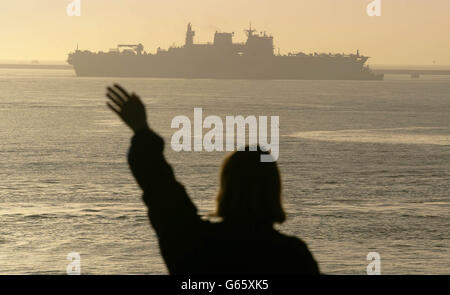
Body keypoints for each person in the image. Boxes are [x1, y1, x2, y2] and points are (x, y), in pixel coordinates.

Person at [106, 84, 320, 274]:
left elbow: (161, 188)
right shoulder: (293, 257)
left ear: (226, 187)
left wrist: (141, 130)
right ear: (274, 190)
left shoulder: (195, 244)